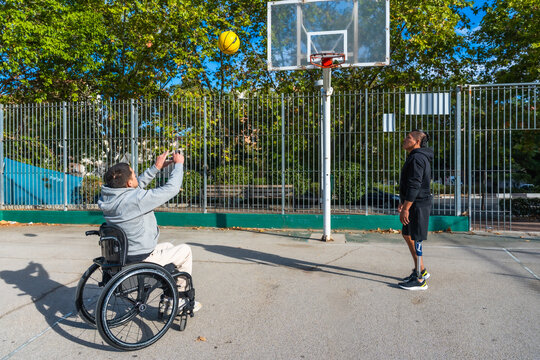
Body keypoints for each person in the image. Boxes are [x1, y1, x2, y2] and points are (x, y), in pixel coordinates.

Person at [98, 150, 201, 311]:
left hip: (124, 256)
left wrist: (156, 167)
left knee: (167, 246)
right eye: (133, 175)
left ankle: (168, 295)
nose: (136, 176)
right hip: (141, 260)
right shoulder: (136, 200)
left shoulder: (108, 198)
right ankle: (178, 300)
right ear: (129, 183)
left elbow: (134, 188)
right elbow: (171, 189)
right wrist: (179, 164)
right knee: (185, 251)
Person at [397, 130, 433, 291]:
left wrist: (406, 207)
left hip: (418, 204)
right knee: (407, 234)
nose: (405, 139)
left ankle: (420, 280)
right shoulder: (415, 156)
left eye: (409, 137)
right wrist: (403, 202)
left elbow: (415, 184)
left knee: (416, 238)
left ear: (417, 142)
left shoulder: (417, 158)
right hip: (413, 203)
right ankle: (421, 270)